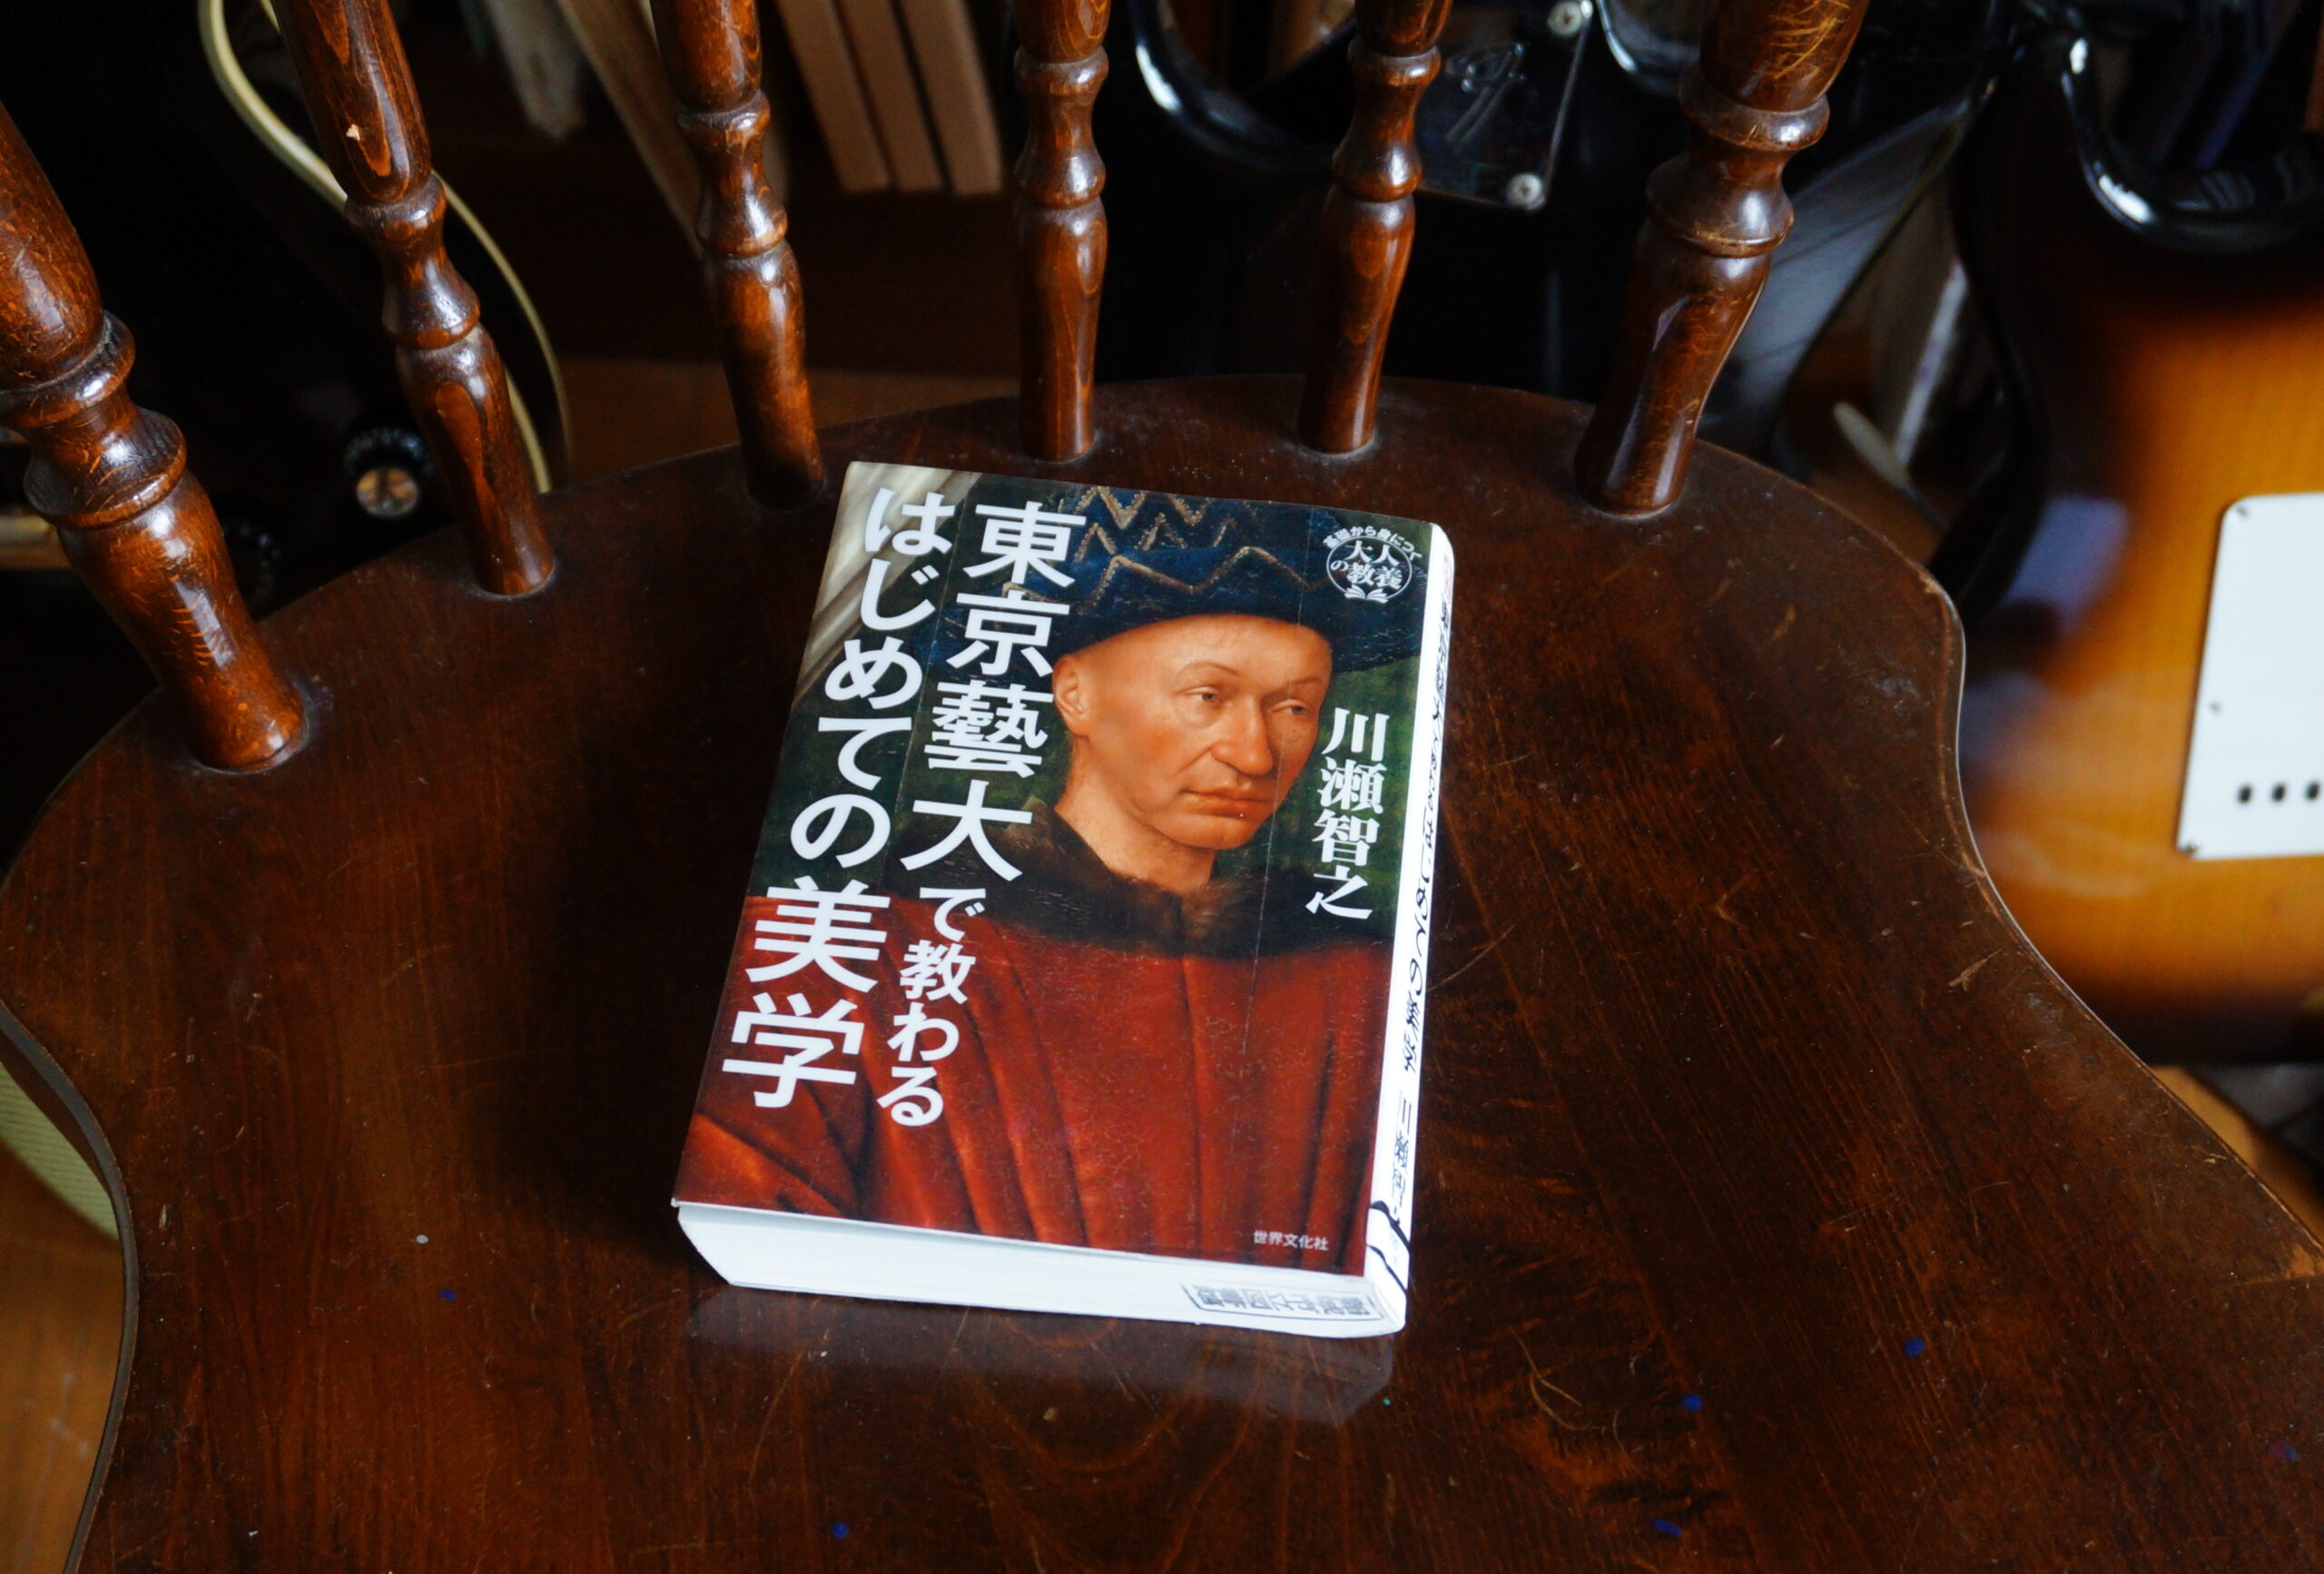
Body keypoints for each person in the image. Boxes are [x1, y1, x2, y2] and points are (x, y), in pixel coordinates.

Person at [677, 506, 1420, 1272]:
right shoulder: (831, 957)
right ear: (1074, 694)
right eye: (1206, 696)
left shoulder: (1353, 983)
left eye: (1293, 707)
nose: (1256, 755)